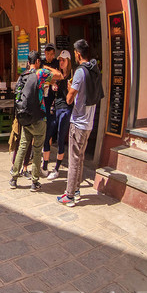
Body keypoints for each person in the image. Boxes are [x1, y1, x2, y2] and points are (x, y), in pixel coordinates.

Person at [59, 39, 101, 207]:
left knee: (74, 159)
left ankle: (69, 195)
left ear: (77, 53)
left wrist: (70, 87)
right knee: (80, 157)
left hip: (78, 121)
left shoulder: (80, 72)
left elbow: (69, 99)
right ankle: (76, 190)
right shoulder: (94, 69)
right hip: (89, 122)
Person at [10, 51, 57, 190]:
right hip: (39, 117)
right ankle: (34, 182)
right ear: (37, 61)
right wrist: (47, 67)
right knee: (37, 150)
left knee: (22, 147)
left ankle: (13, 178)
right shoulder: (40, 73)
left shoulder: (23, 76)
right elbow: (59, 75)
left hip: (25, 118)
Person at [43, 48, 74, 179]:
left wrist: (44, 66)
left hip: (66, 109)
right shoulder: (59, 74)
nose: (61, 62)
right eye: (60, 60)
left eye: (63, 60)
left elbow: (58, 75)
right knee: (48, 135)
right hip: (56, 107)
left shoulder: (71, 75)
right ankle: (44, 166)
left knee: (61, 138)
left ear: (68, 61)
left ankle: (56, 169)